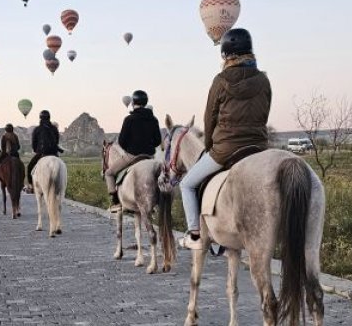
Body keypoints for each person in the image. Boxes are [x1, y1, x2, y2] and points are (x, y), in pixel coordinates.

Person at [178, 28, 272, 250]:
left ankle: (195, 234)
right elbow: (265, 113)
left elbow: (209, 118)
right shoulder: (264, 80)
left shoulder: (220, 80)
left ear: (226, 55)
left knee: (187, 184)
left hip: (226, 149)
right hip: (258, 148)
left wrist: (210, 146)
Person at [104, 90, 161, 212]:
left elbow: (122, 140)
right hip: (149, 156)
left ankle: (116, 202)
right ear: (146, 103)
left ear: (133, 102)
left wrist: (130, 149)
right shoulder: (154, 119)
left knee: (109, 173)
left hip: (132, 155)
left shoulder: (129, 119)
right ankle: (158, 202)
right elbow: (157, 141)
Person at [26, 110, 63, 193]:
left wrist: (36, 150)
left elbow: (34, 143)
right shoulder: (54, 128)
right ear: (49, 117)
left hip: (42, 153)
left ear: (40, 118)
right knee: (61, 167)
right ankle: (61, 186)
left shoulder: (37, 129)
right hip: (54, 153)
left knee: (29, 167)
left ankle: (31, 186)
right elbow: (57, 141)